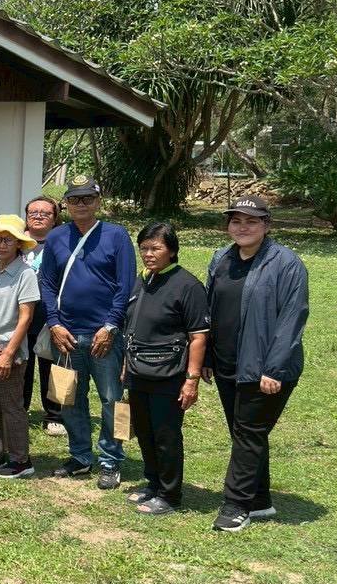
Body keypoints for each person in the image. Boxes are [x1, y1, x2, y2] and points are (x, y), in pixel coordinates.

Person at [203, 196, 309, 533]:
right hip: (226, 363)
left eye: (251, 221)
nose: (242, 227)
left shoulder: (287, 264)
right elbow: (210, 309)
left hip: (265, 368)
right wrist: (206, 356)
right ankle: (260, 500)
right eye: (236, 221)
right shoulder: (221, 258)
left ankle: (236, 506)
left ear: (266, 225)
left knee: (248, 433)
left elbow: (293, 318)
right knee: (246, 432)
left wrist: (273, 369)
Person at [37, 175, 137, 489]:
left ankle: (111, 460)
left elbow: (125, 286)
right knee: (68, 398)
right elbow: (47, 284)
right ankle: (80, 456)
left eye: (87, 199)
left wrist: (110, 326)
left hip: (104, 337)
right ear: (65, 203)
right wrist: (54, 323)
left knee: (114, 400)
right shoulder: (56, 238)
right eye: (74, 199)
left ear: (98, 201)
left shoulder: (116, 236)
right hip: (65, 336)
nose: (81, 204)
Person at [123, 222, 208, 516]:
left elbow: (198, 336)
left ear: (171, 251)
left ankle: (170, 495)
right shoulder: (143, 280)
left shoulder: (188, 286)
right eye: (144, 248)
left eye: (155, 248)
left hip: (169, 374)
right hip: (138, 369)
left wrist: (192, 380)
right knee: (144, 431)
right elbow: (131, 325)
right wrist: (126, 365)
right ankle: (153, 483)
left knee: (166, 434)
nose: (148, 254)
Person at [0, 215, 41, 479]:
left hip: (9, 351)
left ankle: (20, 459)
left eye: (8, 239)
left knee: (12, 405)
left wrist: (9, 353)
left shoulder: (25, 273)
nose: (1, 244)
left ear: (18, 244)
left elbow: (26, 317)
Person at [22, 195, 65, 436]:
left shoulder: (63, 243)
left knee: (52, 364)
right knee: (23, 365)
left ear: (55, 219)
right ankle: (21, 408)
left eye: (45, 213)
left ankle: (54, 415)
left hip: (52, 314)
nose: (38, 216)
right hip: (21, 315)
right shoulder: (18, 242)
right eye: (33, 213)